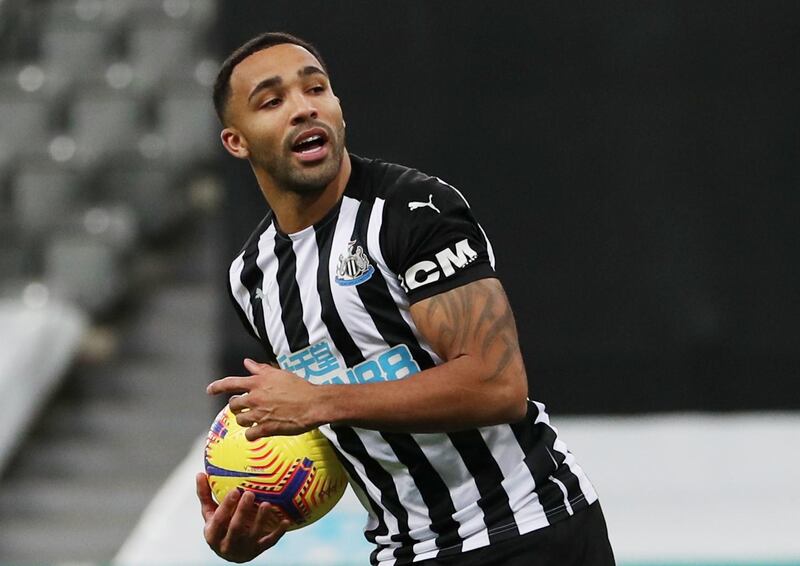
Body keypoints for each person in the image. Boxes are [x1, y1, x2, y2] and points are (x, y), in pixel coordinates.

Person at [196, 31, 615, 566]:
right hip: (402, 551)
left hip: (525, 532)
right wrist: (273, 510)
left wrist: (319, 401)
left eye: (316, 89)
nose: (304, 109)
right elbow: (349, 435)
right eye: (272, 101)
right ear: (237, 141)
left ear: (339, 107)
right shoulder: (252, 277)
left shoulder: (413, 211)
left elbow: (497, 384)